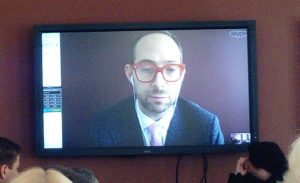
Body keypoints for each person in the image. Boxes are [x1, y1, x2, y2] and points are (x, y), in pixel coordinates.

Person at [92, 32, 224, 147]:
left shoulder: (206, 126)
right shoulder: (103, 126)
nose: (159, 84)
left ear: (182, 74)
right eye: (147, 69)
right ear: (130, 73)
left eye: (171, 69)